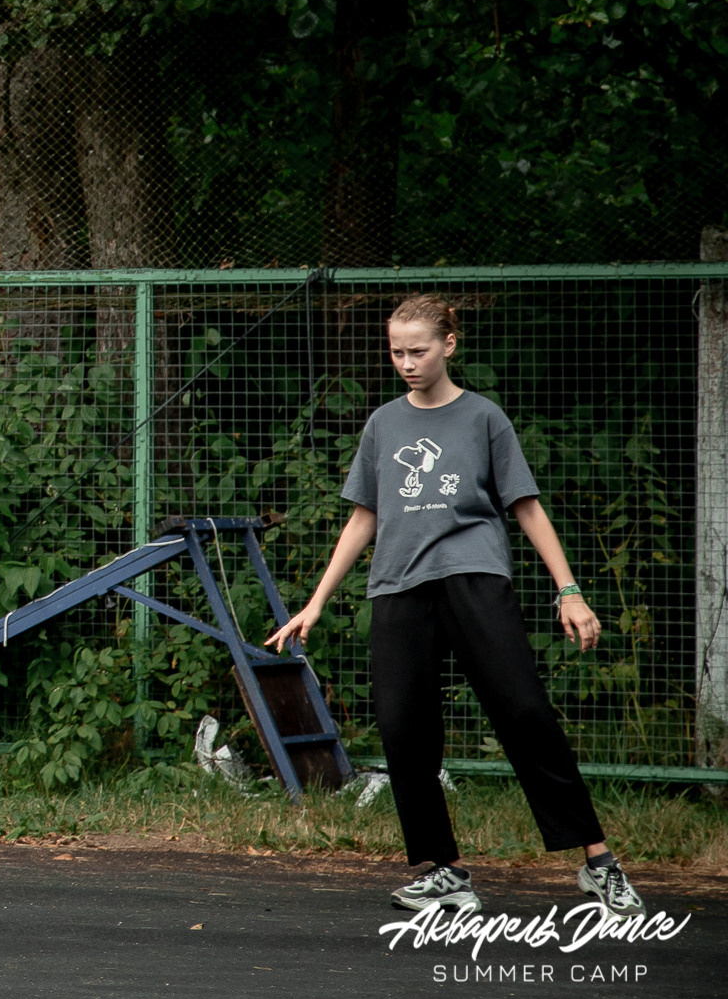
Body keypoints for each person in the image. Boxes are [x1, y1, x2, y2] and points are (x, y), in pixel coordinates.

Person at [265, 294, 645, 919]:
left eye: (418, 350)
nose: (407, 363)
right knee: (404, 728)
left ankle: (598, 862)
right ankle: (446, 873)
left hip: (473, 577)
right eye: (396, 352)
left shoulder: (483, 418)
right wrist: (314, 603)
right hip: (397, 587)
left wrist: (569, 591)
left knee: (523, 710)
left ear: (450, 344)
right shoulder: (384, 424)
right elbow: (365, 517)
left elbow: (525, 506)